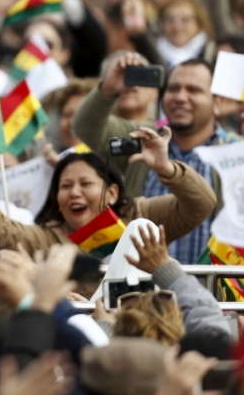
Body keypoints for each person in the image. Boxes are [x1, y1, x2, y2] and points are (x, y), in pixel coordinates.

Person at [0, 107, 215, 258]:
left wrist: (166, 168)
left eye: (85, 184)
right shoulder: (47, 239)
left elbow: (201, 204)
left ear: (113, 192)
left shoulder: (139, 217)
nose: (75, 193)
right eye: (65, 186)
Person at [72, 53, 240, 263]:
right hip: (140, 291)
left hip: (210, 289)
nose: (180, 97)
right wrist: (108, 88)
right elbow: (86, 127)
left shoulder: (235, 152)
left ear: (218, 101)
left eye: (193, 90)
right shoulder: (142, 137)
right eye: (173, 88)